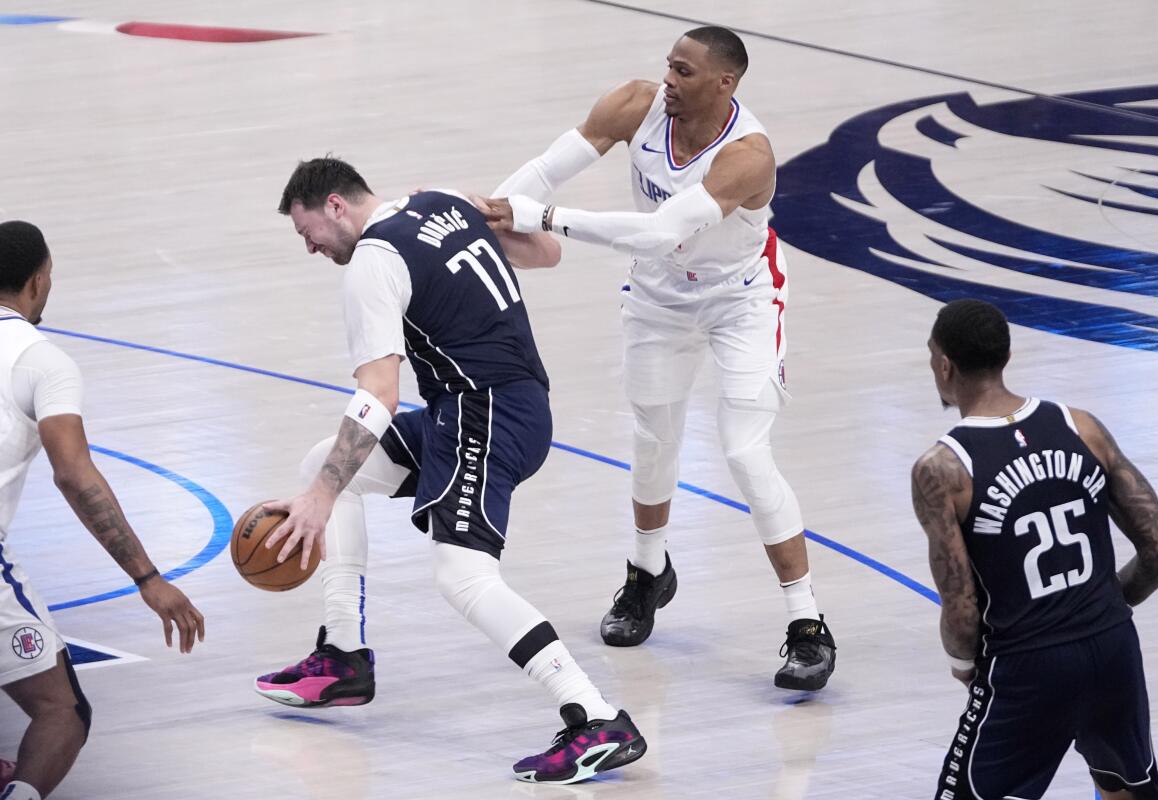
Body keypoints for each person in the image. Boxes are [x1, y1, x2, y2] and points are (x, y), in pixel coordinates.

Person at [257, 158, 645, 784]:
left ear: (335, 205)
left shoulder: (374, 261)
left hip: (484, 413)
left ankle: (595, 719)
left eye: (309, 233)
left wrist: (319, 500)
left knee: (462, 576)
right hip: (494, 405)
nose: (311, 248)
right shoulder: (439, 199)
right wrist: (480, 210)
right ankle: (344, 657)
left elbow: (378, 395)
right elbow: (546, 253)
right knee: (323, 463)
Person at [478, 25, 835, 690]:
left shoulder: (748, 155)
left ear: (725, 84)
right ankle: (647, 573)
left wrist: (547, 220)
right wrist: (492, 214)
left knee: (746, 454)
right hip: (658, 299)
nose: (668, 80)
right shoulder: (636, 105)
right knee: (652, 441)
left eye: (686, 72)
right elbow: (545, 170)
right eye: (669, 66)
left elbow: (658, 230)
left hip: (742, 301)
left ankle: (807, 623)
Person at [912, 299, 1158, 800]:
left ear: (944, 365)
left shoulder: (943, 469)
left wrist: (964, 662)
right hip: (1113, 648)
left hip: (1028, 665)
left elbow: (962, 606)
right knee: (1126, 786)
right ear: (1005, 356)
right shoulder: (1082, 427)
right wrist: (1106, 606)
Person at [0, 220, 205, 800]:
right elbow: (75, 475)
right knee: (60, 712)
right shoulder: (41, 360)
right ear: (38, 281)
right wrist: (147, 576)